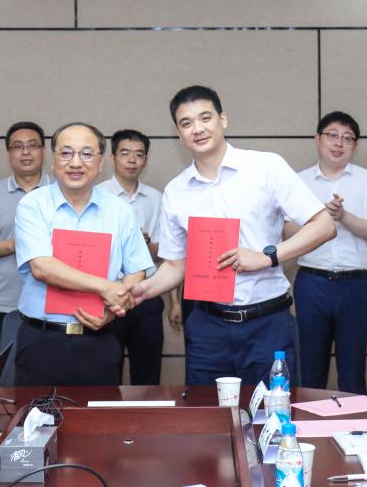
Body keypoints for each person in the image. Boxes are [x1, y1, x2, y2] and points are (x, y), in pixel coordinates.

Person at [123, 85, 336, 385]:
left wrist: (267, 256)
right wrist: (144, 290)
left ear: (223, 119)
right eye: (186, 123)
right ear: (178, 133)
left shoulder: (266, 167)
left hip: (267, 323)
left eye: (205, 118)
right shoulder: (176, 190)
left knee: (271, 410)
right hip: (207, 326)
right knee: (207, 412)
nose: (197, 129)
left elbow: (324, 225)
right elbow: (175, 264)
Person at [13, 122, 151, 386]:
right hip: (42, 341)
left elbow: (137, 270)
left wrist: (117, 308)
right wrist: (106, 288)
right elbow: (42, 267)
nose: (75, 163)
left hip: (100, 339)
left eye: (87, 154)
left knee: (99, 412)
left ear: (101, 163)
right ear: (53, 161)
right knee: (36, 412)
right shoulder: (32, 205)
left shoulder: (119, 210)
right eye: (66, 153)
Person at [287, 111, 367, 394]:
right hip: (312, 283)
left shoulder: (366, 180)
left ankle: (353, 423)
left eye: (347, 138)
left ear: (355, 145)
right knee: (310, 369)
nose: (338, 143)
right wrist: (320, 220)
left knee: (353, 371)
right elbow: (286, 231)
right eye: (332, 135)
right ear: (317, 139)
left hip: (354, 285)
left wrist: (343, 217)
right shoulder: (299, 181)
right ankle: (307, 422)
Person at [0, 121, 51, 362]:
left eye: (32, 145)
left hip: (53, 304)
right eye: (18, 146)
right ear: (8, 153)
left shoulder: (61, 191)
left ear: (43, 150)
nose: (25, 152)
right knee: (5, 375)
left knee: (48, 375)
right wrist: (13, 245)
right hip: (5, 303)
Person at [96, 129, 167, 385]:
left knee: (147, 373)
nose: (132, 160)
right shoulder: (96, 195)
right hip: (108, 294)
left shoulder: (156, 198)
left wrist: (142, 245)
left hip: (146, 293)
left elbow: (164, 253)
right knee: (105, 371)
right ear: (112, 158)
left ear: (145, 160)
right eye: (125, 153)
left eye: (139, 154)